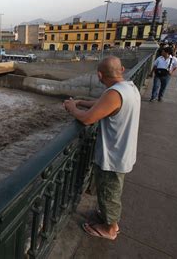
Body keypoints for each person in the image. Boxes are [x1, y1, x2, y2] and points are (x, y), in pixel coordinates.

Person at [63, 56, 141, 240]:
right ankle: (107, 217)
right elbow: (104, 106)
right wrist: (81, 102)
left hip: (113, 156)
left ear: (99, 75)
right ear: (121, 69)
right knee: (110, 190)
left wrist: (72, 107)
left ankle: (110, 228)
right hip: (124, 151)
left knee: (109, 192)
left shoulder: (113, 94)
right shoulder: (128, 87)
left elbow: (88, 118)